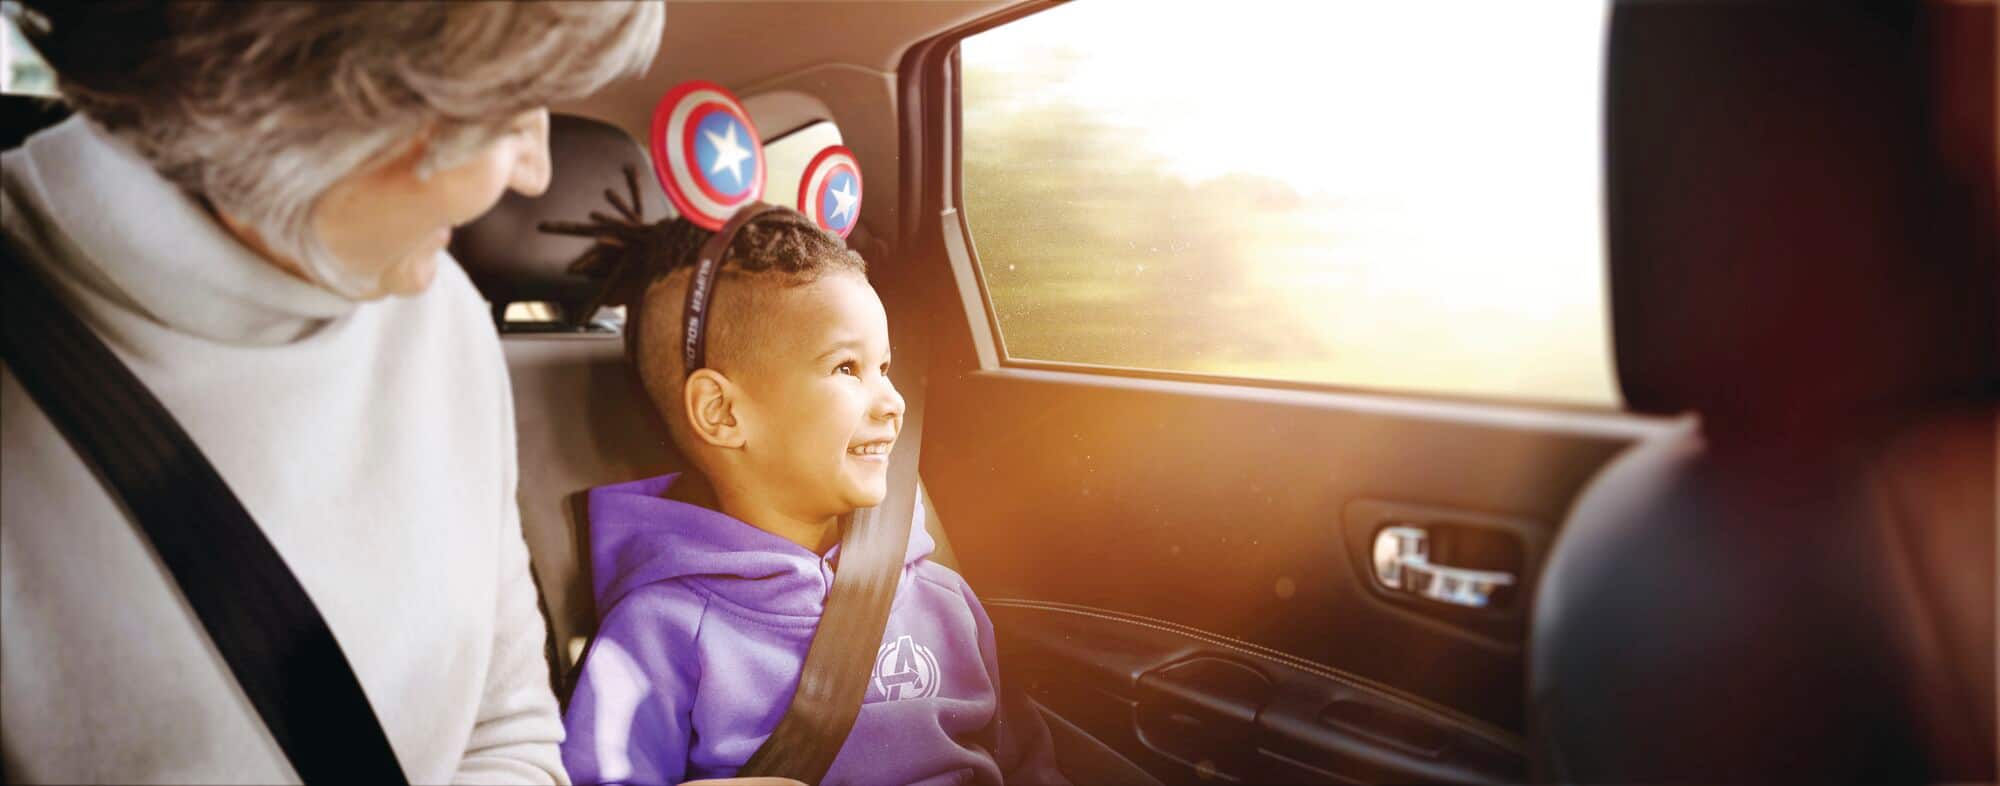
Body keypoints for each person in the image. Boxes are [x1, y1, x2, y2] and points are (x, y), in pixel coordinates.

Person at [0, 3, 662, 783]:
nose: (537, 173)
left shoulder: (444, 315)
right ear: (313, 85)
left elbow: (508, 723)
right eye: (505, 105)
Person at [555, 209, 1068, 785]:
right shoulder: (656, 633)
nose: (893, 402)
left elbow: (1029, 765)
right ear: (722, 413)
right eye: (847, 368)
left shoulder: (945, 600)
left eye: (885, 367)